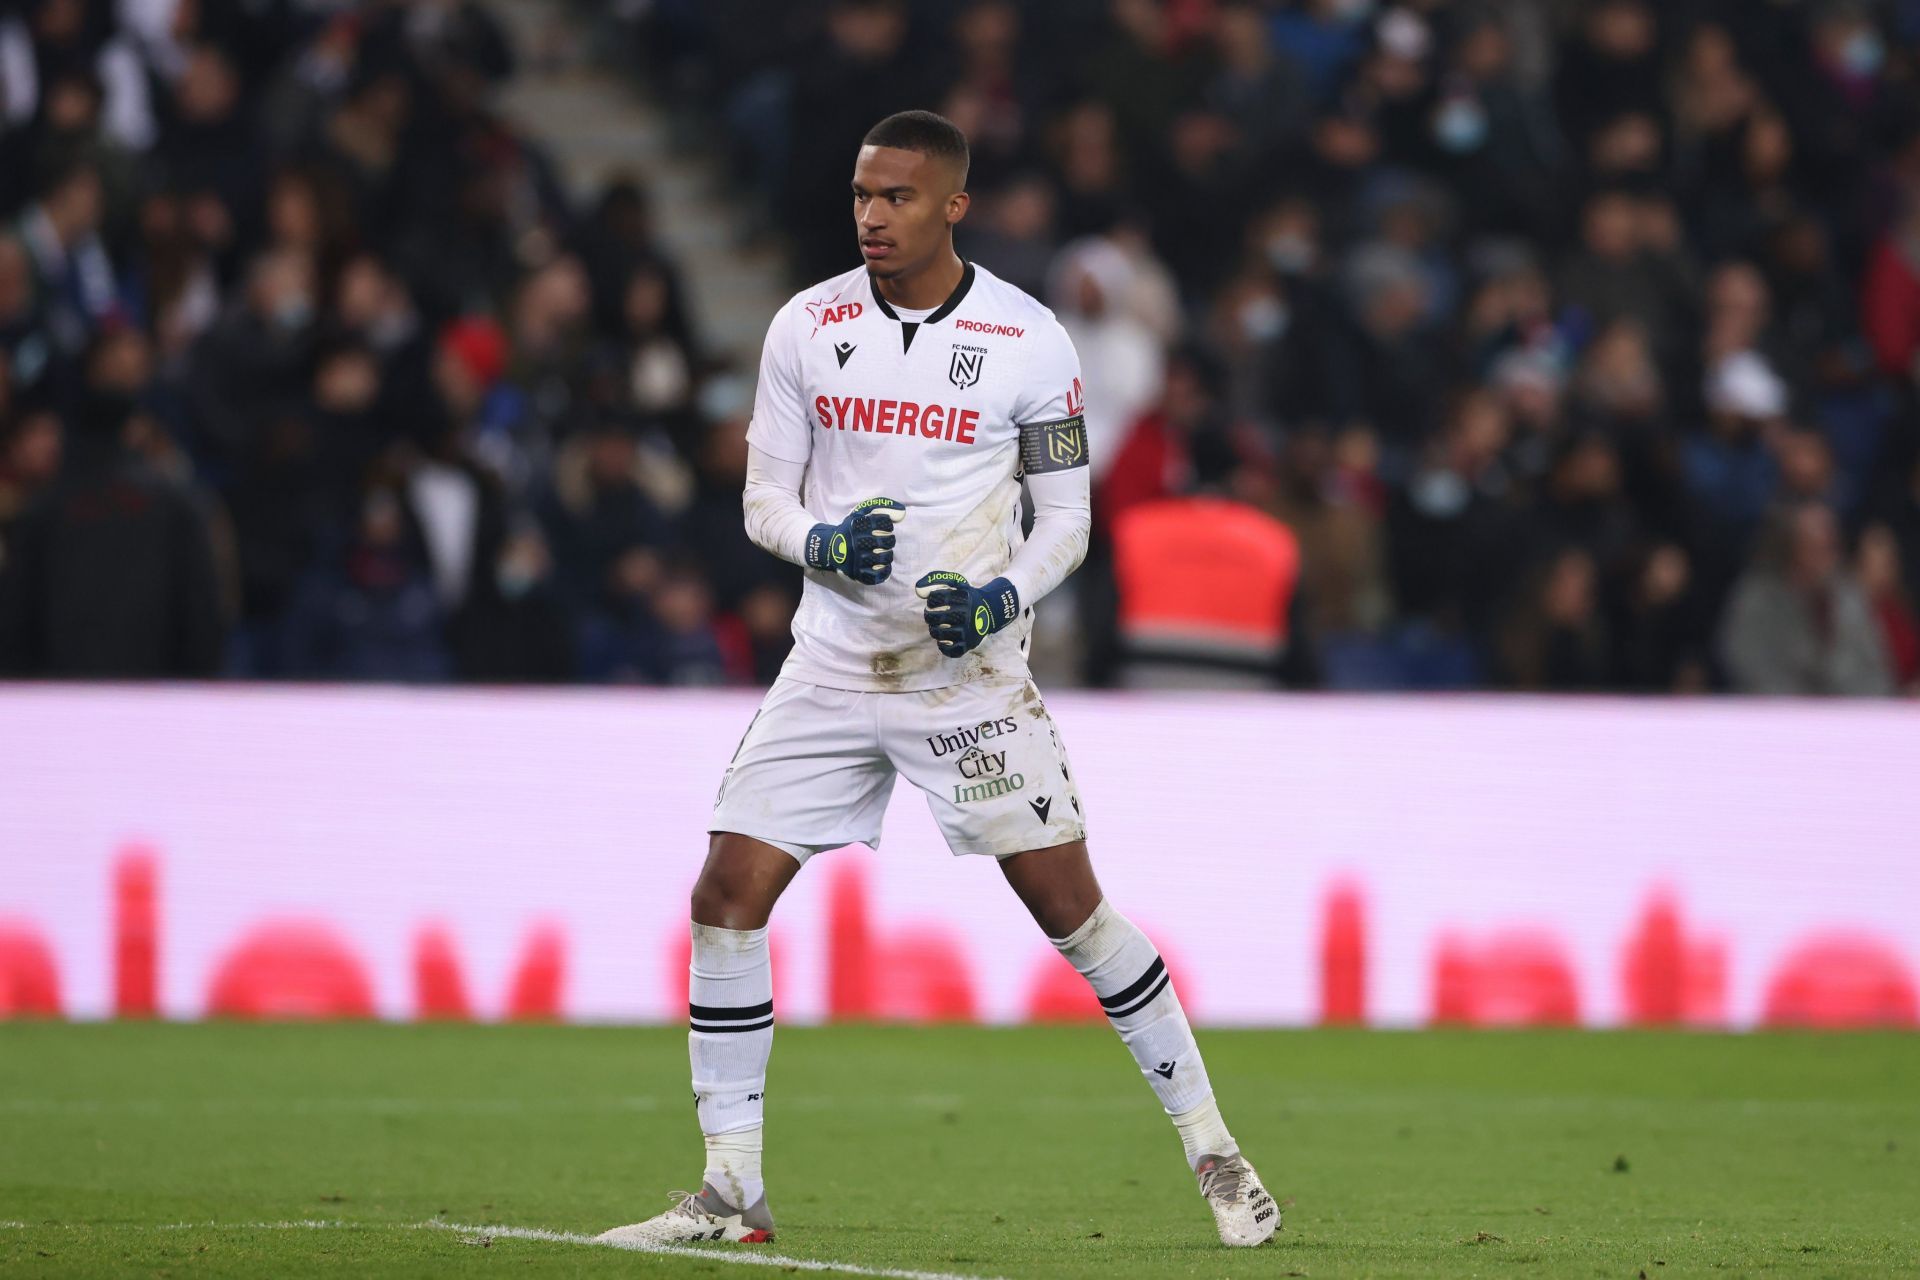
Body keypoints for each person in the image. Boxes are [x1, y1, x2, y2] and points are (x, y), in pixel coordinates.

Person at [596, 110, 1277, 1251]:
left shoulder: (1029, 339)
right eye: (863, 194)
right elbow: (765, 497)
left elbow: (1066, 521)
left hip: (966, 678)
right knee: (724, 894)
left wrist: (1002, 595)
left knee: (1074, 912)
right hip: (832, 661)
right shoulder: (805, 326)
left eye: (899, 197)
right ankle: (729, 1194)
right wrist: (821, 543)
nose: (872, 215)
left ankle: (1216, 1150)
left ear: (953, 206)